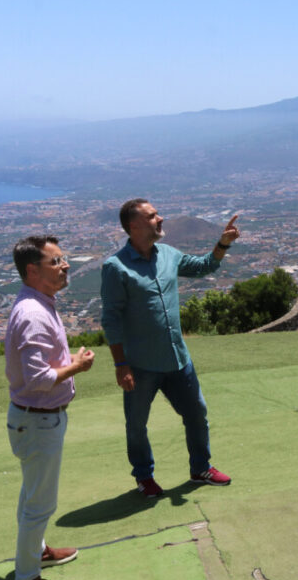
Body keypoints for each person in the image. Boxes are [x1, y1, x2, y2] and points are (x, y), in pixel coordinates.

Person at [100, 199, 239, 497]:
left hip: (178, 359)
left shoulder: (169, 254)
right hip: (140, 363)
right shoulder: (115, 267)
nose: (160, 219)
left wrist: (222, 244)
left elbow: (204, 266)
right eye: (152, 216)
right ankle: (144, 477)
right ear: (134, 226)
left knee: (197, 413)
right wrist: (120, 365)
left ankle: (201, 467)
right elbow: (110, 319)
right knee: (137, 424)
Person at [5, 235, 95, 580]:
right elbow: (39, 379)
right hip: (39, 420)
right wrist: (77, 365)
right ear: (32, 270)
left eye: (64, 259)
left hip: (34, 420)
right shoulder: (33, 315)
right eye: (56, 261)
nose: (65, 266)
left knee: (32, 496)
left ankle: (38, 552)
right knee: (39, 504)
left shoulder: (37, 304)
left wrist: (67, 361)